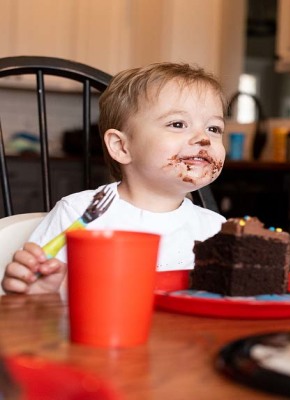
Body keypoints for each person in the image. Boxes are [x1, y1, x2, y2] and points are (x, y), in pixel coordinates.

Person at [2, 62, 227, 294]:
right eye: (178, 124)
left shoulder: (217, 230)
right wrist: (40, 292)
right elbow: (33, 299)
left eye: (214, 129)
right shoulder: (78, 213)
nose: (203, 139)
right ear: (121, 146)